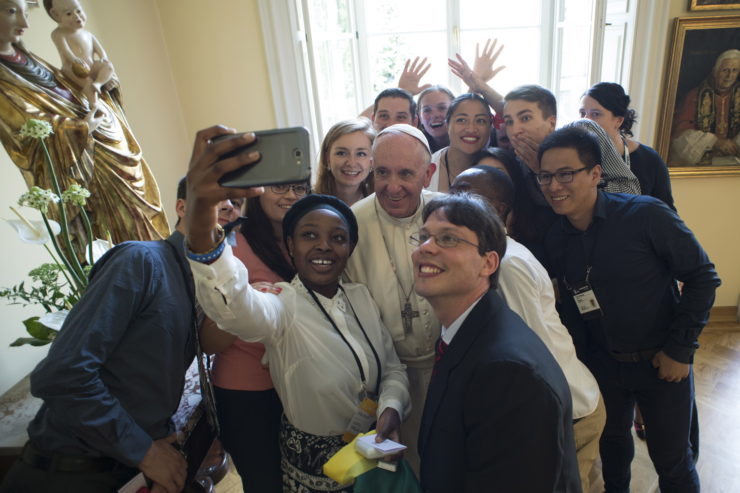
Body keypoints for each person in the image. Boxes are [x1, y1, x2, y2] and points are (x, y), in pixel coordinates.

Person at [184, 126, 410, 492]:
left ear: (350, 248)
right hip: (311, 468)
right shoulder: (282, 303)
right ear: (290, 246)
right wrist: (200, 220)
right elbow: (237, 307)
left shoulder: (361, 298)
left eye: (337, 238)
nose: (324, 246)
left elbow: (394, 369)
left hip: (366, 455)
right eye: (309, 236)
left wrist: (390, 408)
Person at [0, 177, 234, 493]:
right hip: (71, 474)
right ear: (182, 207)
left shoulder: (202, 286)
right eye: (219, 197)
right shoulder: (140, 262)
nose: (231, 208)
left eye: (239, 203)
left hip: (128, 470)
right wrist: (145, 451)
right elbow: (62, 375)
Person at [538, 126, 721, 493]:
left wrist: (679, 350)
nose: (554, 186)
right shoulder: (556, 238)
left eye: (566, 174)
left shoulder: (645, 216)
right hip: (604, 365)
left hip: (662, 363)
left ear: (595, 174)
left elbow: (703, 278)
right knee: (613, 453)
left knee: (672, 461)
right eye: (545, 176)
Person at [450, 166, 605, 493]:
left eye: (467, 194)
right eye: (453, 191)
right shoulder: (493, 257)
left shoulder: (507, 265)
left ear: (498, 209)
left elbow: (529, 351)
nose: (454, 201)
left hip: (569, 412)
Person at [413, 193, 582, 492]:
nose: (425, 248)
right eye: (424, 236)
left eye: (449, 239)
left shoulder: (509, 373)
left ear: (488, 263)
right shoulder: (465, 330)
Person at [0, 0, 170, 253]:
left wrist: (102, 86)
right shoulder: (5, 79)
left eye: (26, 13)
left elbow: (68, 90)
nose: (25, 23)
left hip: (107, 135)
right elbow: (24, 131)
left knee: (141, 210)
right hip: (83, 157)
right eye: (12, 12)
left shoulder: (28, 58)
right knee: (119, 226)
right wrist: (78, 128)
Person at [199, 182, 307, 492]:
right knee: (265, 484)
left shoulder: (311, 237)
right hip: (249, 392)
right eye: (277, 187)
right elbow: (208, 341)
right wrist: (244, 304)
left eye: (299, 187)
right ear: (257, 191)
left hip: (301, 385)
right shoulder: (231, 243)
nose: (289, 195)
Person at [345, 124, 441, 474]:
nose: (392, 186)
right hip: (387, 374)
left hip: (446, 367)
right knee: (402, 465)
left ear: (428, 174)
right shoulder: (352, 224)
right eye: (382, 172)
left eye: (406, 173)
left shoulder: (447, 216)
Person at [581, 82, 675, 209]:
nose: (586, 120)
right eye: (583, 113)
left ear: (619, 120)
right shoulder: (576, 157)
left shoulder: (650, 160)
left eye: (596, 114)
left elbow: (666, 213)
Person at [670, 49, 740, 165]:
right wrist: (714, 142)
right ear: (715, 71)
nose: (729, 76)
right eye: (725, 70)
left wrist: (735, 145)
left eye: (734, 70)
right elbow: (680, 135)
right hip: (701, 160)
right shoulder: (695, 96)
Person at [44, 0, 114, 110]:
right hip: (73, 69)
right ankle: (94, 105)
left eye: (78, 10)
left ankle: (99, 84)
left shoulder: (88, 34)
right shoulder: (58, 34)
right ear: (56, 15)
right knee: (87, 82)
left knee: (109, 66)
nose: (76, 16)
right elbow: (65, 51)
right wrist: (74, 60)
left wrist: (103, 58)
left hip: (91, 66)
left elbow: (100, 50)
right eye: (68, 13)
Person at [428, 93, 492, 192]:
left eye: (480, 121)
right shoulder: (426, 167)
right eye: (461, 120)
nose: (471, 129)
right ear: (447, 125)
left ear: (490, 128)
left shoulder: (497, 168)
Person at [314, 118, 375, 206]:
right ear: (327, 158)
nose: (351, 163)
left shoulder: (381, 205)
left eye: (361, 154)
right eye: (341, 153)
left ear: (372, 161)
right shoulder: (309, 205)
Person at [417, 85, 455, 153]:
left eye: (442, 108)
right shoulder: (416, 147)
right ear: (420, 117)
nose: (435, 115)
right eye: (427, 110)